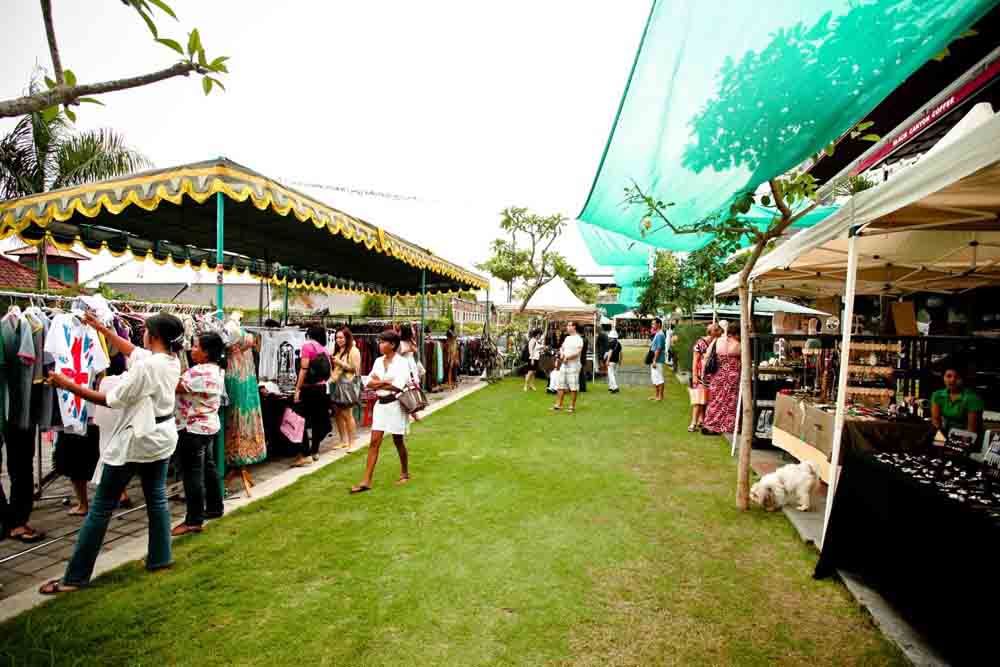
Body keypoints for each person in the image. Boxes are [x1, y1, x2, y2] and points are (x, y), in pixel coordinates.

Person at [40, 312, 183, 594]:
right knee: (156, 498)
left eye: (145, 331)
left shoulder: (148, 368)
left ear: (153, 336)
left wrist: (68, 386)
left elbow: (110, 400)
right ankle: (160, 557)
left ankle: (75, 577)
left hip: (138, 440)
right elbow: (134, 351)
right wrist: (100, 328)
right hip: (161, 437)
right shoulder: (169, 360)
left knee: (102, 506)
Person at [171, 332, 226, 536]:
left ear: (206, 352)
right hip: (208, 426)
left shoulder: (198, 372)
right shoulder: (217, 370)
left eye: (195, 347)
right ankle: (214, 507)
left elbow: (174, 386)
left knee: (192, 474)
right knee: (208, 468)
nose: (192, 350)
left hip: (192, 429)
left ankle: (193, 520)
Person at [351, 330, 410, 493]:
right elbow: (368, 382)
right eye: (380, 341)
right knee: (374, 442)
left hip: (396, 405)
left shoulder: (402, 363)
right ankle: (366, 480)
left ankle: (405, 472)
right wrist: (384, 382)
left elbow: (397, 386)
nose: (379, 344)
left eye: (383, 342)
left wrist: (378, 382)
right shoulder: (378, 361)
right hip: (381, 405)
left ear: (392, 345)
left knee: (398, 441)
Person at [291, 326, 333, 467]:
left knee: (299, 419)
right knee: (316, 421)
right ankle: (314, 451)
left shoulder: (307, 346)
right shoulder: (324, 349)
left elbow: (304, 369)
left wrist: (297, 389)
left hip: (309, 388)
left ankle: (305, 453)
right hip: (321, 388)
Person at [701, 321, 741, 436]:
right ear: (738, 333)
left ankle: (710, 424)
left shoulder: (717, 341)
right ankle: (726, 426)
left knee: (715, 400)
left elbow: (707, 356)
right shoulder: (739, 345)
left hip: (717, 375)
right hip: (732, 377)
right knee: (730, 402)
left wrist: (704, 374)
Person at [931, 363, 983, 441]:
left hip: (967, 439)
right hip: (945, 436)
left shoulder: (973, 399)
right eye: (948, 376)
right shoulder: (937, 395)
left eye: (957, 377)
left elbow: (971, 432)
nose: (952, 380)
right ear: (943, 378)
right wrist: (940, 441)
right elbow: (936, 421)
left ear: (963, 379)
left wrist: (953, 446)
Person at [330, 327, 361, 449]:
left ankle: (352, 442)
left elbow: (355, 369)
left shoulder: (354, 350)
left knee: (347, 414)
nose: (339, 340)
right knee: (337, 413)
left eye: (341, 337)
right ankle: (343, 440)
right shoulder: (337, 350)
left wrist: (339, 362)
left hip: (347, 385)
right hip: (335, 384)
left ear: (347, 338)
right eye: (337, 337)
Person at [689, 323, 722, 432]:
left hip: (712, 375)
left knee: (707, 399)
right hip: (701, 375)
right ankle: (693, 423)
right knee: (699, 399)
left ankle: (701, 421)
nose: (719, 332)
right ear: (711, 332)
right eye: (716, 330)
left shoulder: (718, 343)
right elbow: (695, 360)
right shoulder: (701, 343)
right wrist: (694, 375)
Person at [552, 322, 584, 414]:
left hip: (574, 366)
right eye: (567, 325)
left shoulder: (579, 339)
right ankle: (559, 404)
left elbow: (578, 352)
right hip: (564, 365)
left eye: (569, 325)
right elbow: (562, 348)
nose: (567, 327)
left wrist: (568, 357)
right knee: (560, 385)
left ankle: (572, 406)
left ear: (574, 327)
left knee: (573, 387)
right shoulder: (567, 338)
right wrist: (562, 354)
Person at [649, 318, 667, 402]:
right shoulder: (658, 333)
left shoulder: (660, 334)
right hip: (655, 359)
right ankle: (657, 395)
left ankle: (660, 396)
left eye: (653, 324)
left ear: (658, 324)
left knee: (659, 378)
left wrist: (654, 360)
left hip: (658, 360)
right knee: (655, 378)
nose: (652, 325)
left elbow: (658, 349)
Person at [605, 329, 622, 394]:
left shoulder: (611, 343)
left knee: (611, 374)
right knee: (612, 374)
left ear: (611, 337)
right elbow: (621, 353)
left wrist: (607, 360)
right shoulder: (619, 343)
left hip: (611, 361)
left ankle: (615, 387)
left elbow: (610, 352)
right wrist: (620, 360)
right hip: (616, 361)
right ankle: (611, 387)